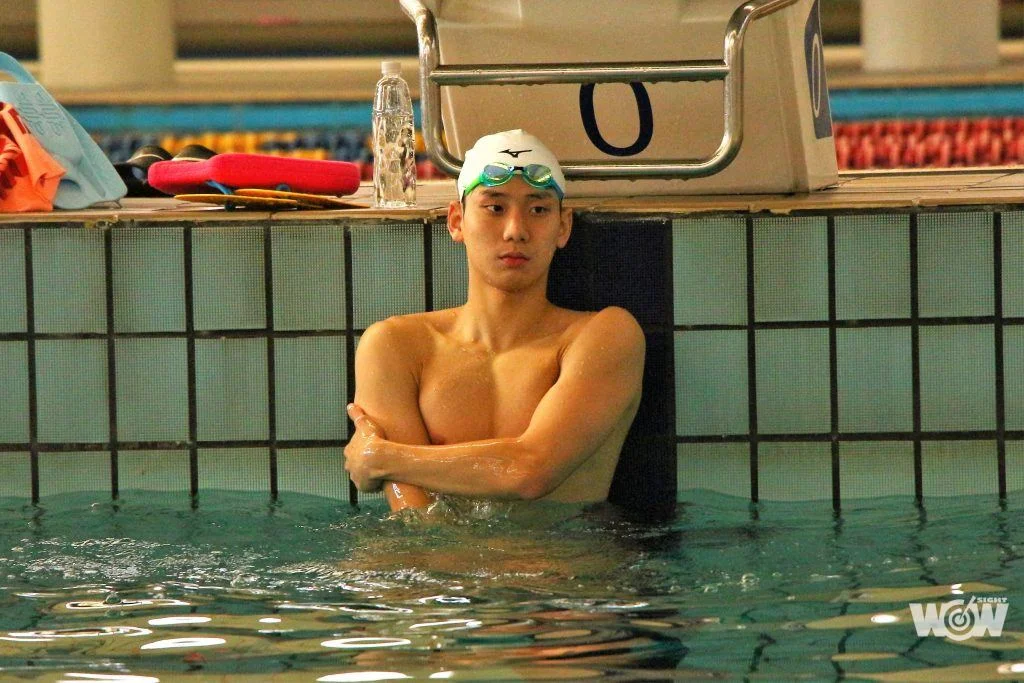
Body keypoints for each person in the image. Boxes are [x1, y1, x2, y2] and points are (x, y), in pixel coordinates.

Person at [344, 129, 645, 512]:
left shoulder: (606, 336)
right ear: (457, 221)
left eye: (538, 210)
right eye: (495, 208)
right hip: (435, 554)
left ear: (563, 227)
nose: (516, 231)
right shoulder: (395, 347)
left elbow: (531, 471)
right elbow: (417, 518)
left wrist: (382, 458)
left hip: (565, 552)